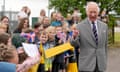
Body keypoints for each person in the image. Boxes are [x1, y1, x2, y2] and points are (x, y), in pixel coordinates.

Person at [71, 2, 108, 72]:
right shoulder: (79, 26)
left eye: (95, 12)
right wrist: (74, 36)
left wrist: (105, 61)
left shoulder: (104, 26)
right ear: (87, 12)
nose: (93, 14)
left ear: (98, 12)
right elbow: (73, 44)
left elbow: (105, 46)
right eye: (91, 12)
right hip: (86, 65)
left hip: (100, 64)